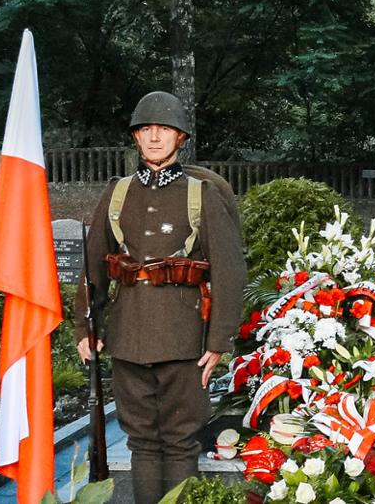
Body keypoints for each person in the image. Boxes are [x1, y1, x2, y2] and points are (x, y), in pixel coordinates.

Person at [77, 91, 248, 504]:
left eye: (164, 130)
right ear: (136, 138)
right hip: (127, 334)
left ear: (180, 137)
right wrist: (87, 327)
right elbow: (94, 265)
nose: (155, 137)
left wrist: (218, 342)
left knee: (179, 440)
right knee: (141, 440)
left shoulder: (201, 194)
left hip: (184, 337)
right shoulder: (118, 193)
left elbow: (229, 270)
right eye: (146, 129)